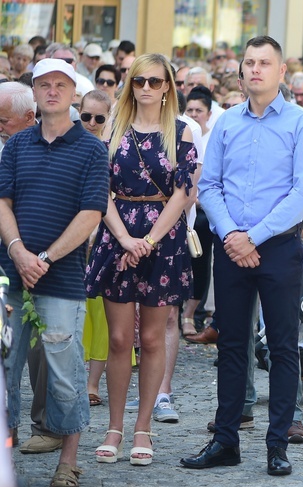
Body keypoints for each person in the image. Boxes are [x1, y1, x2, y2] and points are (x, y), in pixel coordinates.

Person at [182, 35, 303, 476]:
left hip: (277, 248)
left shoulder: (301, 122)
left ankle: (276, 445)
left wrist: (253, 237)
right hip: (231, 247)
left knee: (282, 347)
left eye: (265, 63)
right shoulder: (226, 123)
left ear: (281, 72)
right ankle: (225, 441)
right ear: (240, 72)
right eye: (249, 63)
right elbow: (210, 185)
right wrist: (231, 234)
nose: (255, 69)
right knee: (231, 344)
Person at [0, 58, 110, 487]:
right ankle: (5, 464)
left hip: (61, 280)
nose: (51, 91)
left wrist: (42, 257)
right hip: (11, 275)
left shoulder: (91, 149)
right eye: (43, 84)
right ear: (36, 91)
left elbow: (91, 213)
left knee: (65, 374)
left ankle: (68, 460)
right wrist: (18, 252)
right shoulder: (18, 145)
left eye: (60, 84)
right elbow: (2, 202)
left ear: (73, 93)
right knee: (6, 372)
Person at [85, 53, 197, 466]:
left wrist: (147, 240)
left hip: (161, 242)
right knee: (117, 339)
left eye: (154, 81)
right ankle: (114, 426)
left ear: (168, 86)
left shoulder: (182, 133)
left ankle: (142, 426)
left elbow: (184, 194)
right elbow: (101, 189)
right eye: (138, 81)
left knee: (151, 338)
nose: (146, 88)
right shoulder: (112, 130)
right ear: (130, 85)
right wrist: (125, 238)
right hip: (118, 237)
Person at [79, 90, 113, 406]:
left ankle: (93, 384)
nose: (91, 123)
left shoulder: (111, 151)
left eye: (98, 118)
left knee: (101, 315)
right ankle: (75, 379)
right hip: (70, 238)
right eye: (86, 116)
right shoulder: (68, 144)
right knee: (74, 314)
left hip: (104, 238)